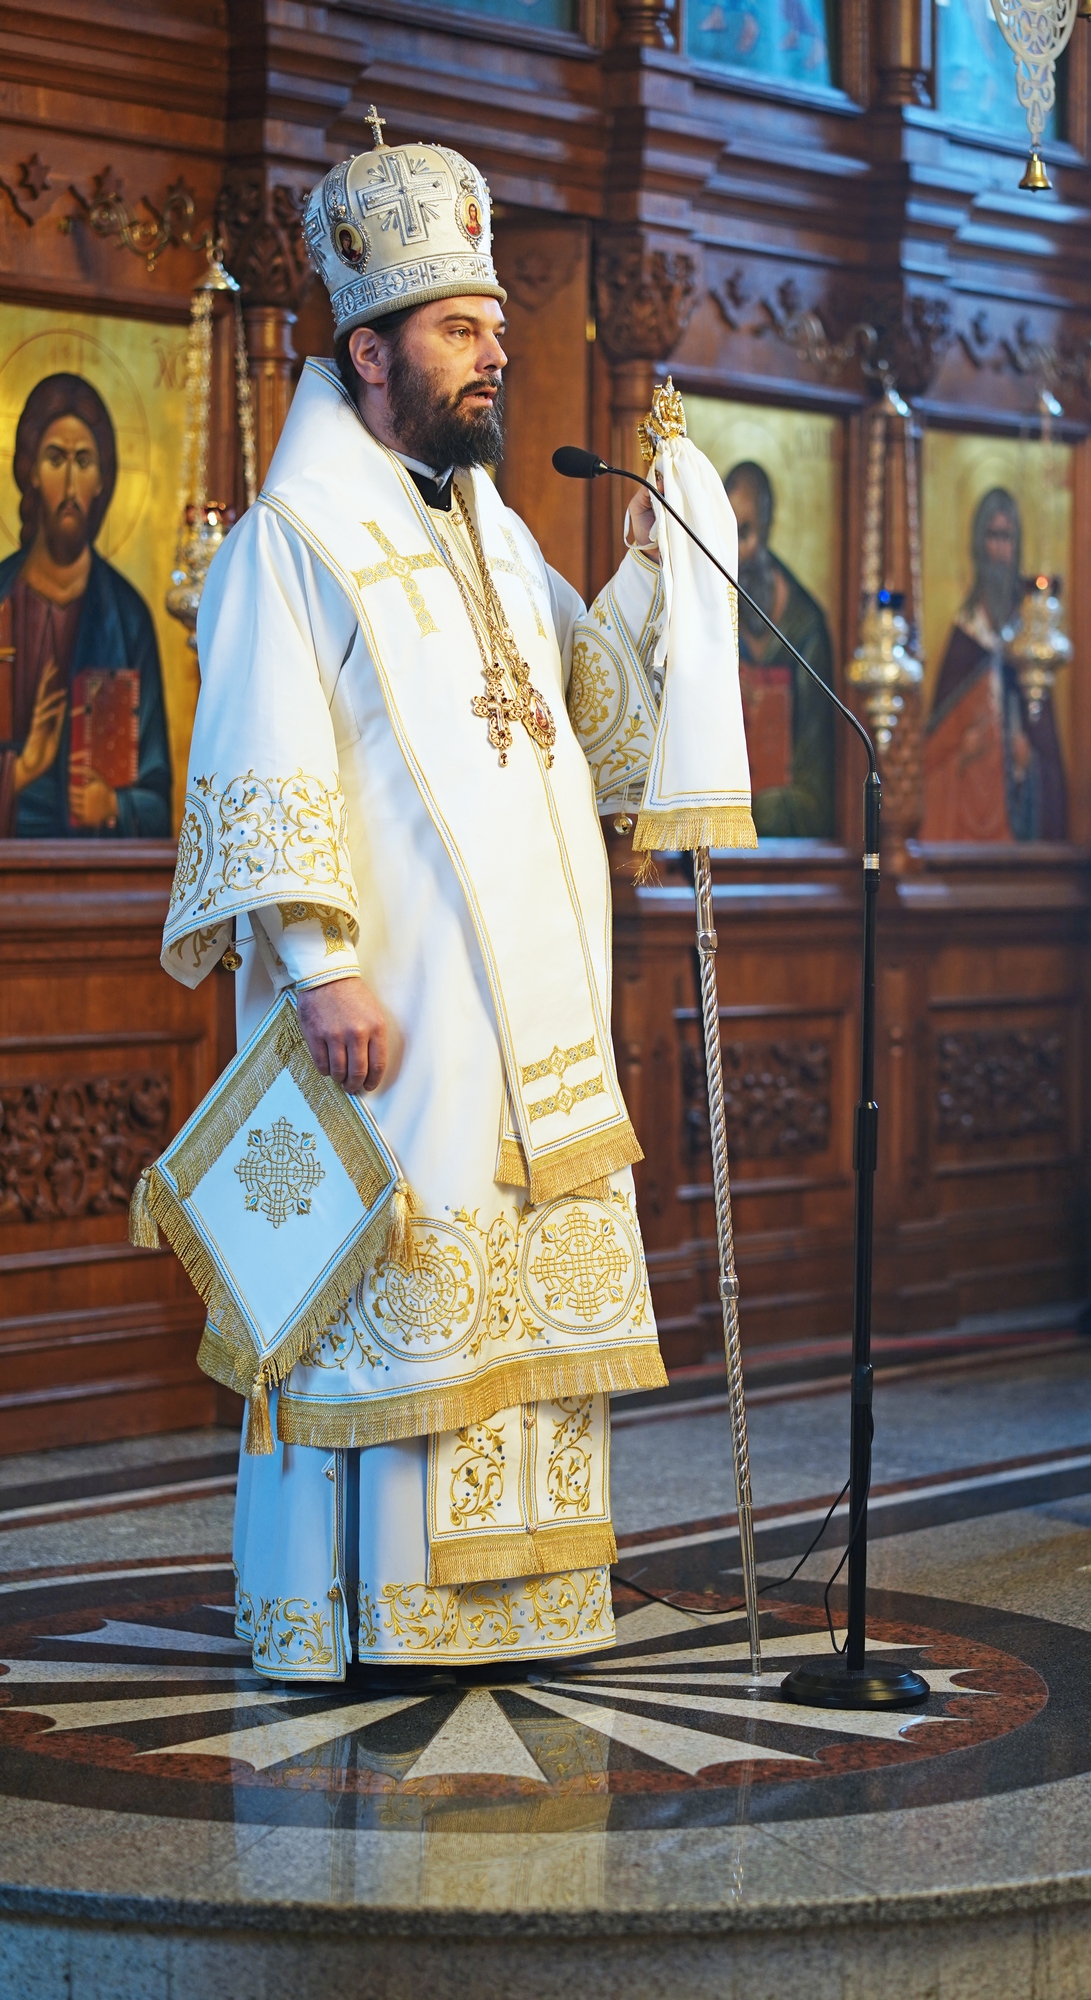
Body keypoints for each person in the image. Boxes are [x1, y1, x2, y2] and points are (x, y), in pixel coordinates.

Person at [160, 124, 734, 1684]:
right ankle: (365, 1615)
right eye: (463, 329)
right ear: (370, 351)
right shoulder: (296, 540)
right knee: (379, 1297)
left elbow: (587, 712)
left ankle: (518, 1606)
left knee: (507, 1304)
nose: (497, 354)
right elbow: (260, 752)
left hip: (522, 1029)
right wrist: (318, 962)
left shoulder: (491, 524)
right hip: (392, 1013)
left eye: (497, 325)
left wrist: (642, 580)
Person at [0, 373, 171, 839]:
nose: (71, 483)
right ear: (31, 470)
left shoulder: (127, 616)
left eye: (84, 461)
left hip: (96, 880)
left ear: (102, 480)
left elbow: (160, 803)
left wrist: (113, 805)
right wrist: (19, 772)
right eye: (56, 459)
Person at [923, 486, 1067, 842]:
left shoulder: (1030, 637)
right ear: (978, 543)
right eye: (993, 536)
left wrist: (1028, 763)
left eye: (1008, 537)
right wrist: (964, 749)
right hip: (969, 811)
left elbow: (1045, 749)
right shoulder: (966, 634)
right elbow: (937, 751)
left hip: (1014, 811)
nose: (1001, 550)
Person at [724, 460, 836, 836]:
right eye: (726, 534)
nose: (738, 552)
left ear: (768, 526)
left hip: (790, 834)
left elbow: (815, 775)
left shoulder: (806, 627)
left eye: (746, 533)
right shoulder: (704, 616)